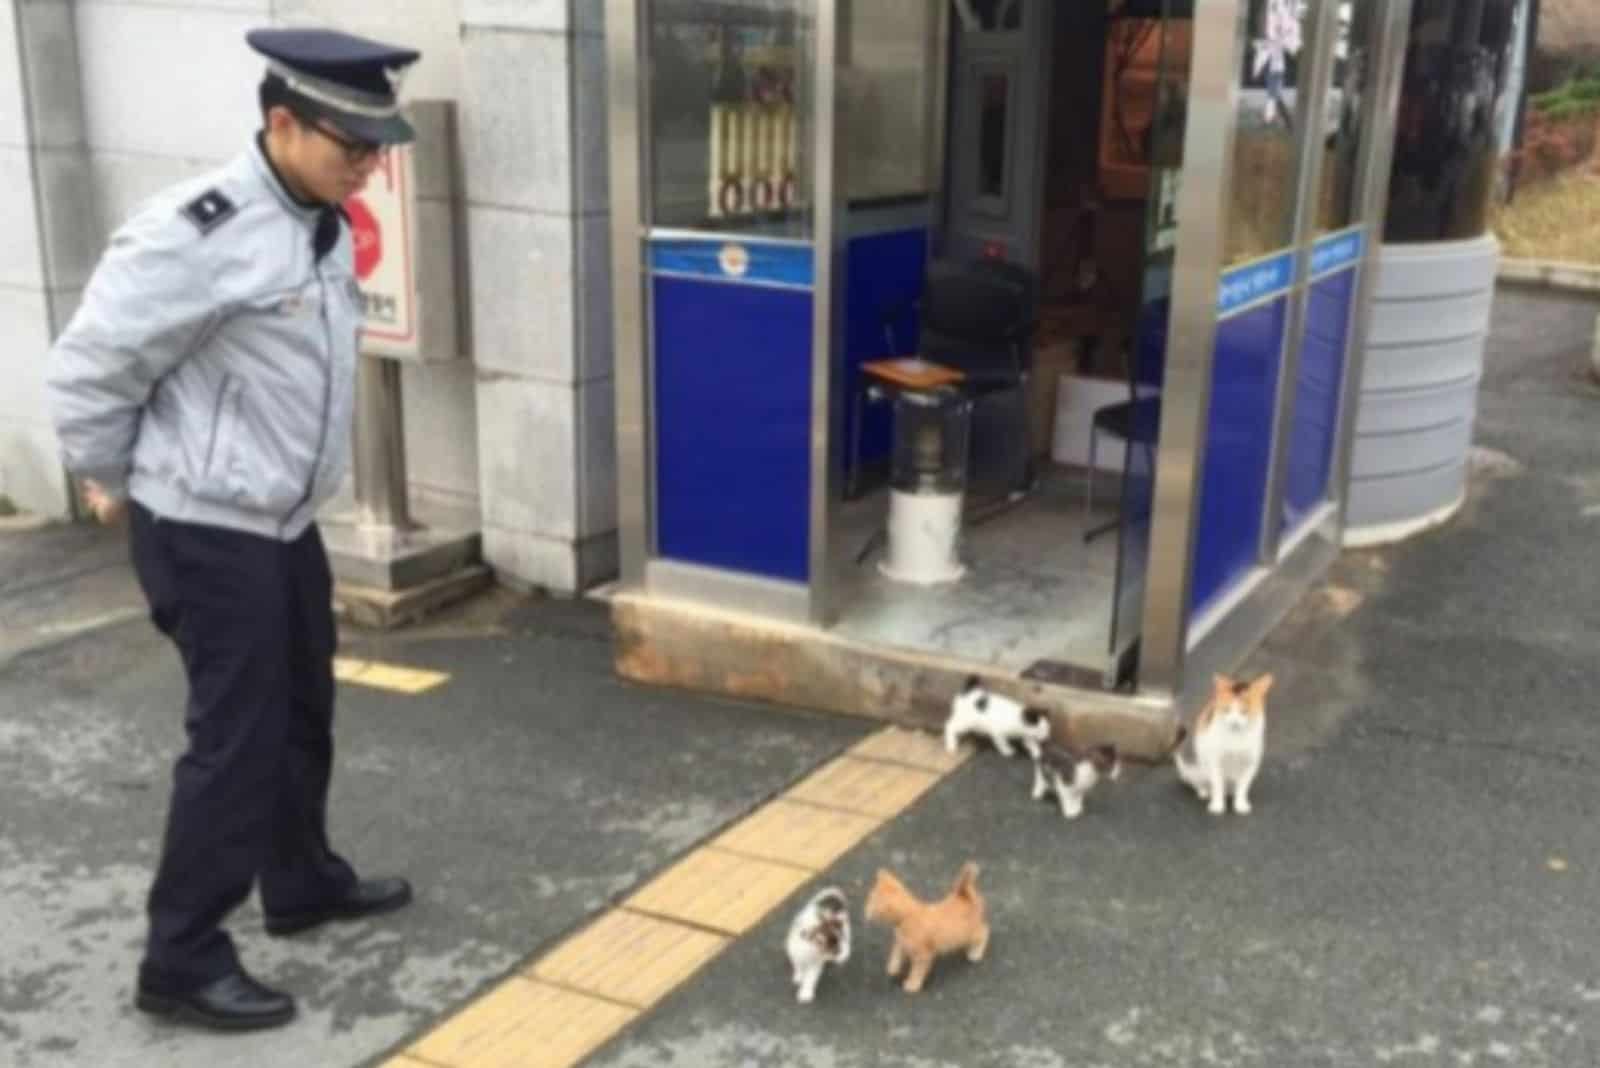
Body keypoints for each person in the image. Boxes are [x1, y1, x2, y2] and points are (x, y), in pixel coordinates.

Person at [45, 27, 424, 1032]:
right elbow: (89, 369)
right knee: (237, 740)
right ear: (282, 122)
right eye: (351, 141)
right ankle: (180, 955)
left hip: (280, 522)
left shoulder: (320, 220)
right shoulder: (193, 235)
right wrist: (113, 477)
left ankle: (298, 880)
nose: (368, 162)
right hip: (206, 528)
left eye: (376, 143)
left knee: (303, 707)